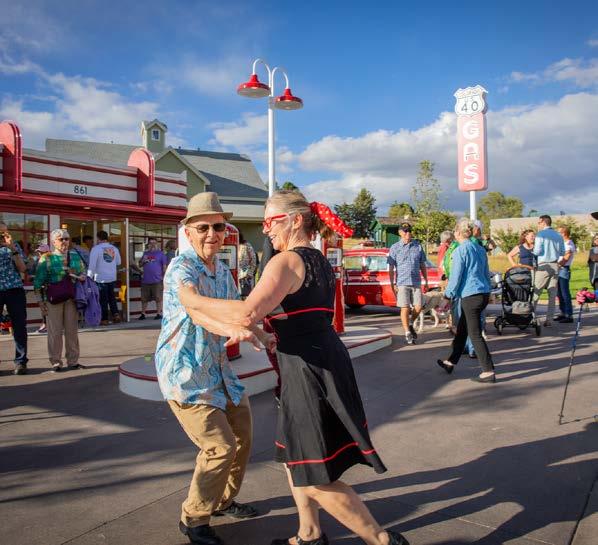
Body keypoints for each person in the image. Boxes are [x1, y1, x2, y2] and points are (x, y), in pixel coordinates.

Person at [179, 190, 410, 545]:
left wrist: (192, 299)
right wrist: (264, 333)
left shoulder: (285, 262)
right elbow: (289, 313)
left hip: (307, 368)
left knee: (315, 476)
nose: (266, 229)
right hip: (319, 360)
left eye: (271, 221)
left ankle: (382, 540)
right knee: (294, 457)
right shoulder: (317, 259)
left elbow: (247, 312)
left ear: (296, 220)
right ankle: (309, 533)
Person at [155, 192, 259, 545]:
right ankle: (194, 519)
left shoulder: (223, 271)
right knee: (219, 446)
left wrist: (263, 333)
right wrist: (233, 324)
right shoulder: (181, 268)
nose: (212, 234)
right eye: (203, 228)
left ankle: (222, 501)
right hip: (185, 376)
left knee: (243, 437)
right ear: (188, 232)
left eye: (218, 227)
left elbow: (238, 310)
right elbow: (194, 307)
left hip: (218, 372)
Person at [437, 218, 496, 383]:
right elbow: (486, 272)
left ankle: (488, 371)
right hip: (482, 293)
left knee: (475, 334)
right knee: (463, 329)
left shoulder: (460, 250)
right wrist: (489, 291)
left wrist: (447, 296)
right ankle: (451, 361)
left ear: (457, 233)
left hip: (470, 295)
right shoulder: (480, 249)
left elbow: (456, 277)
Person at [34, 228, 86, 372]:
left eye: (66, 239)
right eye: (61, 239)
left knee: (72, 331)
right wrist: (41, 303)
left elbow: (83, 272)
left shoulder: (75, 256)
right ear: (53, 242)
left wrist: (81, 276)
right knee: (55, 332)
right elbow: (38, 282)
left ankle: (73, 361)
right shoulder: (46, 258)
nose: (64, 241)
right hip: (53, 299)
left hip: (71, 298)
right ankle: (56, 362)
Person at [387, 222, 428, 345]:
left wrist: (426, 281)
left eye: (409, 230)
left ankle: (410, 323)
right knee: (404, 307)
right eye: (405, 231)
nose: (408, 233)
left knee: (418, 306)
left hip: (416, 281)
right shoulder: (394, 247)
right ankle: (407, 333)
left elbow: (422, 264)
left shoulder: (418, 246)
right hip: (402, 282)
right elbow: (391, 267)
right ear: (400, 233)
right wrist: (392, 283)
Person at [0, 221, 28, 374]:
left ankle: (21, 361)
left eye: (5, 232)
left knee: (19, 327)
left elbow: (23, 268)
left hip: (14, 289)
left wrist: (12, 249)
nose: (4, 235)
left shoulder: (13, 246)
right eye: (1, 232)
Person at [532, 215, 565, 326]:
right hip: (555, 265)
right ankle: (549, 320)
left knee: (536, 292)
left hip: (544, 265)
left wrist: (533, 251)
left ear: (543, 222)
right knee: (552, 294)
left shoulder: (541, 234)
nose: (538, 224)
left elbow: (537, 251)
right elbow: (562, 252)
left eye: (539, 222)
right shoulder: (558, 235)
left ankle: (530, 316)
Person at [88, 230, 121, 325]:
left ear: (98, 238)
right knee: (112, 297)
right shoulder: (114, 249)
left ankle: (104, 319)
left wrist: (89, 277)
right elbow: (118, 262)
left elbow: (92, 265)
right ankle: (116, 314)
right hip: (112, 277)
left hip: (100, 278)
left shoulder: (96, 249)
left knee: (103, 299)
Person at [139, 237, 167, 320]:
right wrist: (143, 261)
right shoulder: (145, 253)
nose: (152, 245)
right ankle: (143, 314)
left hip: (157, 280)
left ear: (157, 244)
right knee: (144, 298)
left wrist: (164, 278)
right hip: (146, 280)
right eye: (151, 243)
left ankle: (158, 313)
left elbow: (164, 267)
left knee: (158, 298)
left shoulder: (161, 254)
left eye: (154, 243)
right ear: (148, 244)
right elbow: (140, 265)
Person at [555, 226, 576, 323]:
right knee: (559, 293)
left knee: (565, 293)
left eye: (558, 232)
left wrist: (556, 266)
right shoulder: (562, 243)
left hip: (563, 269)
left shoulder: (569, 244)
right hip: (559, 269)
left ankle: (569, 315)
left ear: (563, 233)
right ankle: (563, 312)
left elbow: (565, 259)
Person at [238, 229, 258, 298]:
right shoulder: (231, 245)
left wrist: (249, 273)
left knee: (246, 296)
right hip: (234, 277)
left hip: (245, 277)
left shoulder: (246, 245)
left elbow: (253, 260)